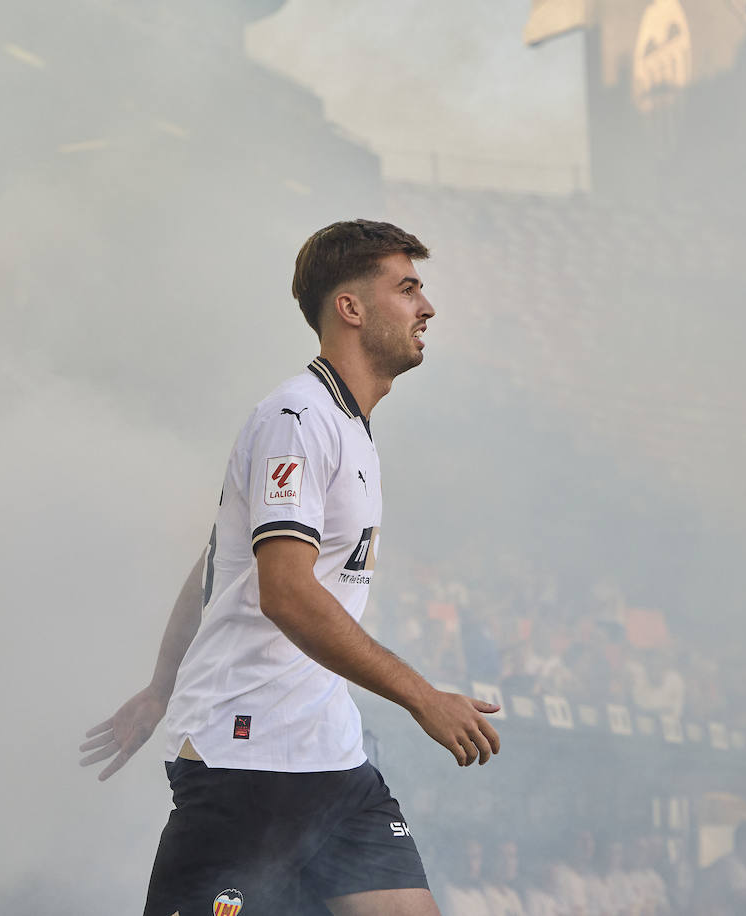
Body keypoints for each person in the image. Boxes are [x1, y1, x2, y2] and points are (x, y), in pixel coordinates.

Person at [80, 220, 502, 916]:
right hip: (247, 762)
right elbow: (282, 591)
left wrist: (161, 684)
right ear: (351, 308)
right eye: (408, 288)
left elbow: (220, 557)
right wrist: (423, 697)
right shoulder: (296, 418)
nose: (427, 308)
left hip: (330, 761)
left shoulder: (349, 428)